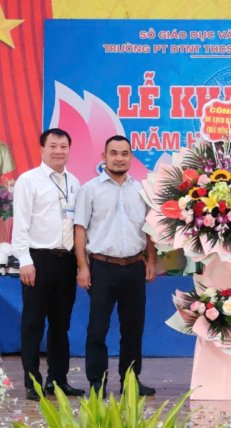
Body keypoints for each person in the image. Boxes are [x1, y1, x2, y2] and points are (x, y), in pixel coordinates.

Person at [74, 135, 157, 397]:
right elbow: (80, 229)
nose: (119, 158)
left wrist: (151, 260)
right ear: (104, 157)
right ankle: (97, 383)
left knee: (133, 329)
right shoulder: (90, 189)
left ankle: (130, 382)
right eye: (113, 153)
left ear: (131, 157)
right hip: (101, 268)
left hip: (134, 267)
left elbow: (149, 229)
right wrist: (82, 267)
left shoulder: (141, 190)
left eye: (124, 153)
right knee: (97, 329)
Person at [12, 128, 85, 400]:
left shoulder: (74, 181)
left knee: (60, 325)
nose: (58, 151)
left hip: (66, 261)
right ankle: (32, 382)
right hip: (38, 260)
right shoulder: (28, 180)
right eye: (53, 146)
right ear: (42, 149)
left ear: (69, 150)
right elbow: (20, 223)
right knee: (33, 324)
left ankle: (58, 381)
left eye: (63, 146)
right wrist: (25, 261)